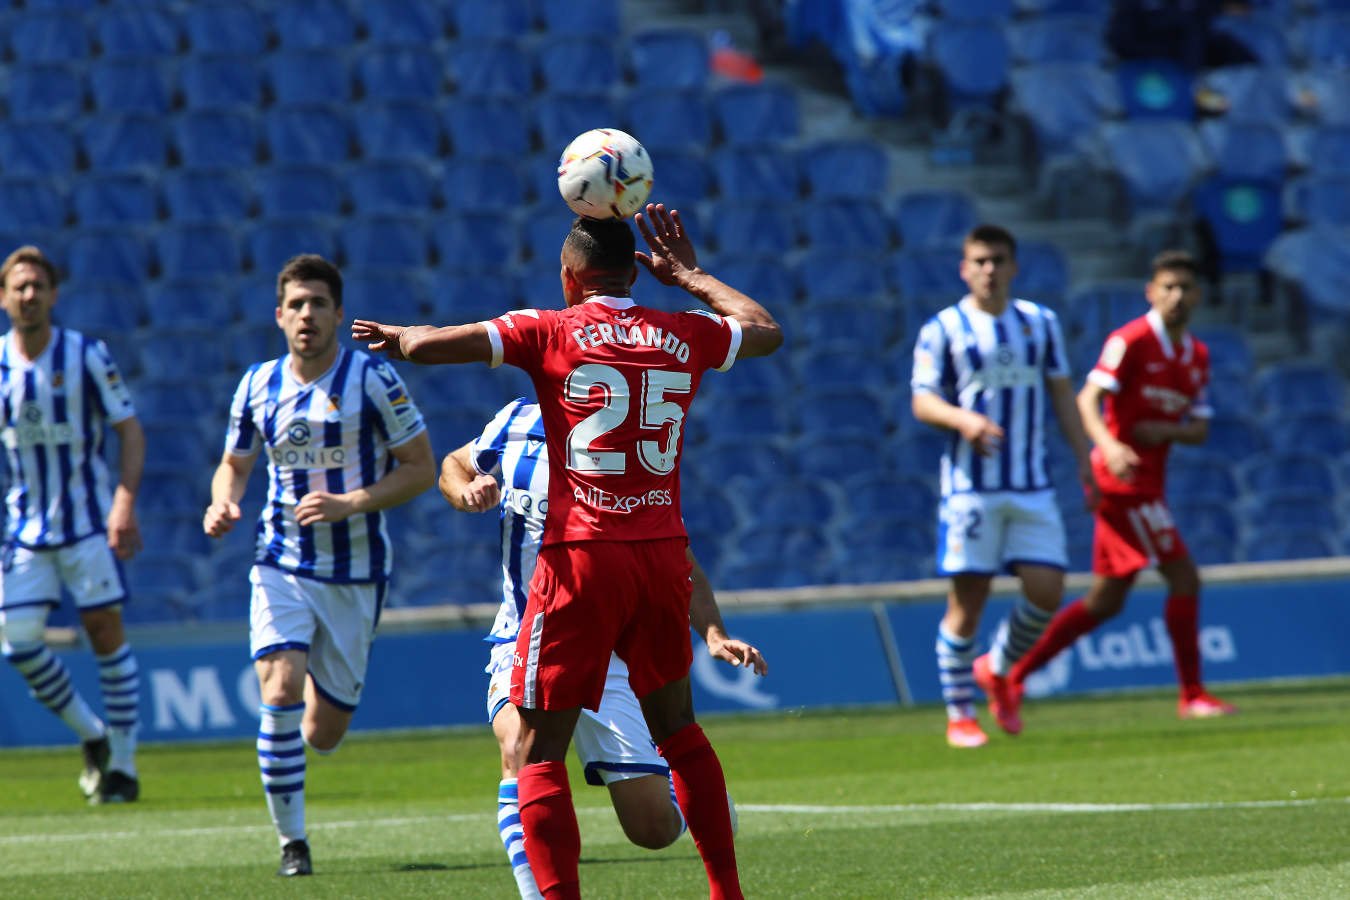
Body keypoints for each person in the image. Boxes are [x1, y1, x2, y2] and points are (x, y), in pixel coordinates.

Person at [353, 204, 782, 900]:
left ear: (569, 276)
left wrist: (403, 337)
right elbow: (766, 331)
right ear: (633, 273)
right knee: (680, 730)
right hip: (662, 551)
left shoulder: (551, 328)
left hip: (584, 557)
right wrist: (692, 276)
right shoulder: (680, 332)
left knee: (534, 753)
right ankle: (726, 894)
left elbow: (435, 347)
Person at [439, 397, 768, 900]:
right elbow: (456, 463)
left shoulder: (628, 440)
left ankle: (704, 804)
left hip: (612, 651)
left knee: (652, 828)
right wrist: (466, 490)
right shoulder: (515, 419)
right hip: (524, 632)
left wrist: (714, 633)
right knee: (518, 750)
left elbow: (675, 552)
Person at [201, 254, 436, 877]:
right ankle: (293, 844)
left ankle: (297, 741)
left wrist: (348, 503)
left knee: (324, 733)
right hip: (279, 561)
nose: (307, 315)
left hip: (356, 571)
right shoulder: (256, 384)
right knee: (277, 688)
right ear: (279, 316)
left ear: (338, 313)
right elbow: (235, 462)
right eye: (296, 305)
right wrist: (223, 500)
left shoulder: (375, 380)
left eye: (318, 304)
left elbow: (422, 468)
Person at [999, 250, 1236, 720]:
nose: (1176, 296)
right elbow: (1088, 399)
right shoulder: (1129, 341)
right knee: (1184, 577)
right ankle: (1192, 695)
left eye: (1185, 288)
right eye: (1167, 287)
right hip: (1123, 483)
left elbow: (1201, 428)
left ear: (1198, 296)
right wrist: (1107, 445)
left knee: (1106, 600)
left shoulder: (1197, 357)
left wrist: (1165, 431)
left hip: (1152, 482)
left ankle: (1012, 673)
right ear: (1150, 292)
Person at [910, 224, 1097, 749]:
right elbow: (922, 400)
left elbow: (1062, 394)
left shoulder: (1040, 323)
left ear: (1014, 266)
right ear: (964, 268)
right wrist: (963, 421)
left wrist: (1085, 458)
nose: (989, 269)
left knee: (1047, 591)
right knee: (968, 603)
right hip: (972, 488)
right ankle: (961, 715)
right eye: (980, 261)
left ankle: (1000, 668)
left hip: (1031, 483)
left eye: (998, 260)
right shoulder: (942, 329)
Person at [0, 245, 146, 804]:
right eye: (20, 286)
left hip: (87, 525)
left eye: (39, 285)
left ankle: (126, 768)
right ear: (5, 297)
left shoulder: (86, 355)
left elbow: (129, 429)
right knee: (17, 644)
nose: (30, 294)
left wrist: (123, 503)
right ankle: (93, 733)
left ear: (54, 295)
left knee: (106, 636)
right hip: (26, 532)